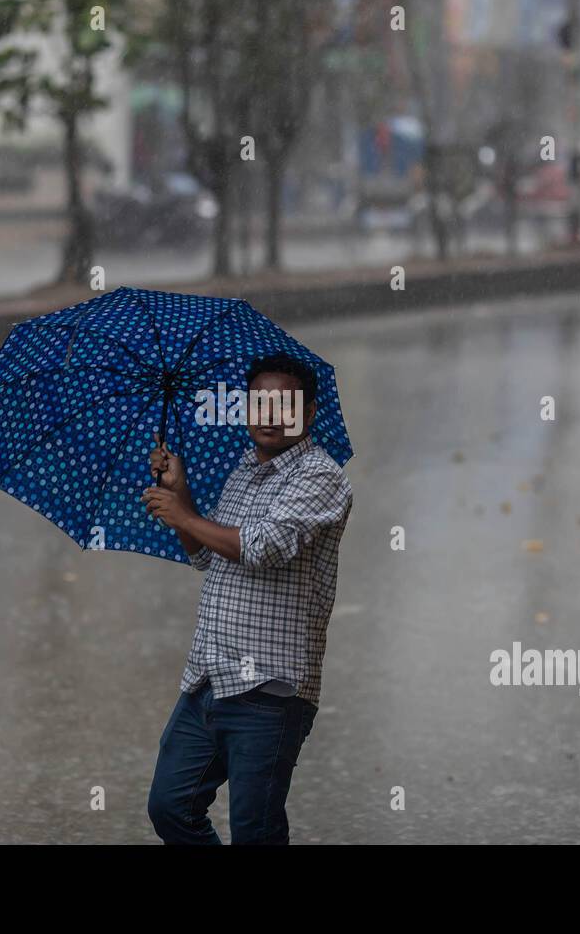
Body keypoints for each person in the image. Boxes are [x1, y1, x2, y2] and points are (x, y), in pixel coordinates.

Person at [140, 353, 354, 844]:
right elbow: (208, 558)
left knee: (255, 831)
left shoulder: (321, 478)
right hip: (208, 678)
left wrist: (183, 515)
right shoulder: (243, 469)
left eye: (285, 403)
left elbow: (261, 547)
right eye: (260, 403)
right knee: (171, 807)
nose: (271, 415)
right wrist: (182, 493)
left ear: (310, 412)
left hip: (270, 692)